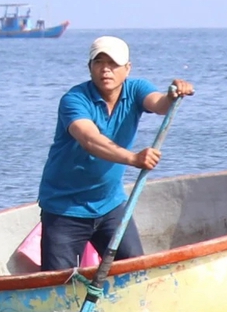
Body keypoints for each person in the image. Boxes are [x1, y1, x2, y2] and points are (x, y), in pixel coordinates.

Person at [35, 36, 193, 271]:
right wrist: (133, 159)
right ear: (89, 67)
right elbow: (89, 139)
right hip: (64, 209)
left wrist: (172, 96)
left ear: (127, 68)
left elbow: (159, 104)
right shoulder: (74, 100)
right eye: (99, 62)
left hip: (110, 205)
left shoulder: (136, 89)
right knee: (57, 283)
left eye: (113, 64)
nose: (106, 70)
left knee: (135, 272)